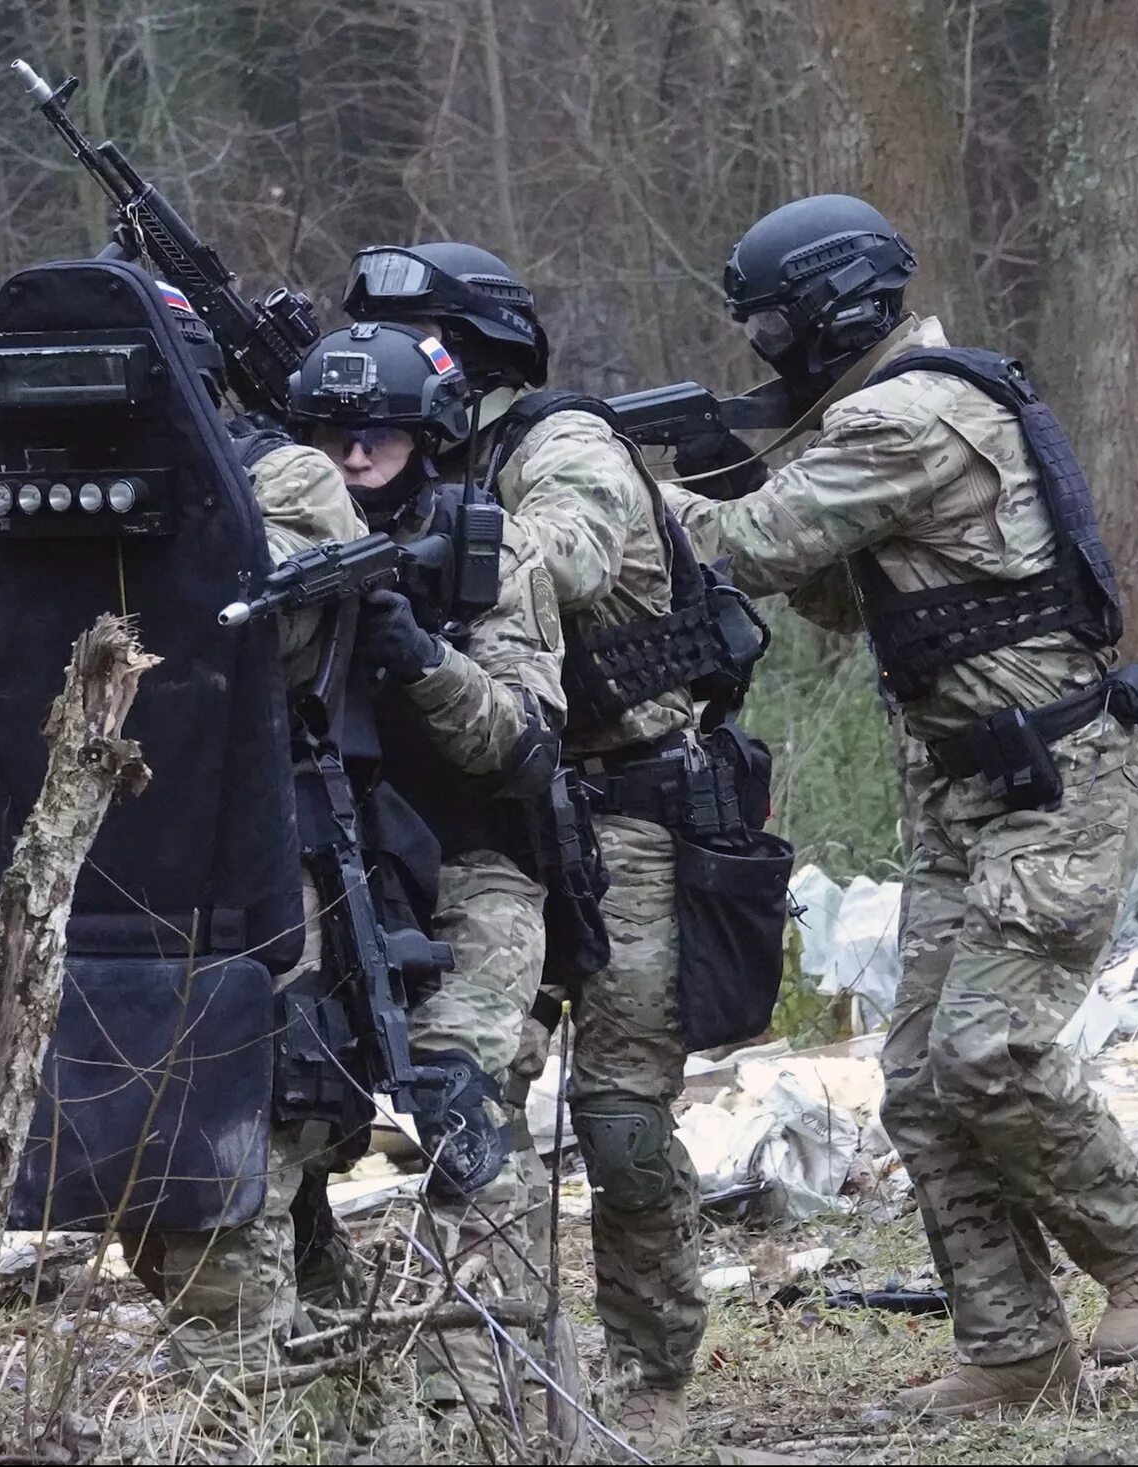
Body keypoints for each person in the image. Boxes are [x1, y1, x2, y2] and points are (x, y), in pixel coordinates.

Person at [665, 194, 1138, 1418]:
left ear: (829, 310)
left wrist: (629, 487)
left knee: (988, 1051)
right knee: (917, 1084)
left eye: (769, 324)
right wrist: (715, 471)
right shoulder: (887, 415)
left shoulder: (913, 414)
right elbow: (838, 600)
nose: (762, 348)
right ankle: (1015, 1350)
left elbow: (748, 548)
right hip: (969, 785)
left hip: (1055, 784)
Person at [340, 241, 770, 1456]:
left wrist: (419, 542)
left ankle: (653, 1376)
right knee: (474, 1106)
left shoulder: (559, 447)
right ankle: (501, 1384)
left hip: (636, 814)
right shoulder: (415, 460)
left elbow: (564, 556)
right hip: (499, 821)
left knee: (624, 1119)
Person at [265, 319, 569, 1425]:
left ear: (428, 437)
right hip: (328, 868)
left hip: (474, 868)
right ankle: (334, 1376)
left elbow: (522, 745)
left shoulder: (487, 546)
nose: (353, 459)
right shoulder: (273, 537)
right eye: (333, 437)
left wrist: (419, 656)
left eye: (379, 439)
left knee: (456, 1104)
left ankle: (482, 1406)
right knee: (278, 1122)